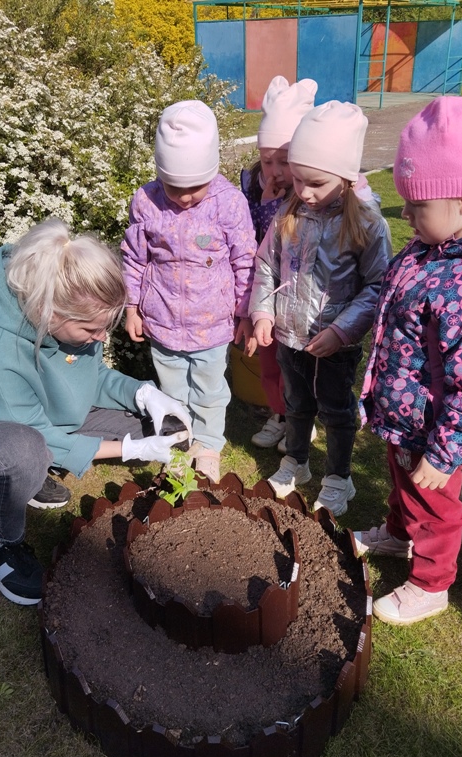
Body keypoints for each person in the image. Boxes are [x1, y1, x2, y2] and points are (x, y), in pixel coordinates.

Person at [0, 218, 191, 606]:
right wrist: (127, 451)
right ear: (50, 313)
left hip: (25, 418)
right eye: (93, 330)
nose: (103, 338)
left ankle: (30, 474)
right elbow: (35, 431)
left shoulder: (67, 314)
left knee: (145, 427)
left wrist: (145, 395)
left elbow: (92, 378)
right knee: (23, 451)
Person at [357, 96, 462, 625]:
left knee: (436, 508)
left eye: (417, 205)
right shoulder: (430, 248)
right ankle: (398, 536)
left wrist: (445, 455)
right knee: (403, 489)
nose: (405, 215)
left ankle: (431, 583)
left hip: (436, 431)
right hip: (406, 418)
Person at [249, 101, 391, 514]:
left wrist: (342, 330)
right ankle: (296, 461)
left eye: (315, 183)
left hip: (334, 345)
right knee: (296, 404)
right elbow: (265, 264)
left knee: (336, 409)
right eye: (297, 180)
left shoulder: (367, 223)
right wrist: (262, 312)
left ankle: (338, 477)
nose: (303, 192)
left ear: (345, 177)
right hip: (290, 336)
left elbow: (379, 284)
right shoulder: (286, 214)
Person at [121, 100, 257, 484]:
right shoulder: (146, 201)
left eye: (194, 187)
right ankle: (180, 441)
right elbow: (133, 258)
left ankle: (209, 444)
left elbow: (245, 261)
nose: (183, 197)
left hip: (213, 325)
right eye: (174, 186)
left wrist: (245, 314)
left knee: (210, 390)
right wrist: (133, 307)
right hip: (162, 322)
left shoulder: (229, 203)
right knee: (172, 388)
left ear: (212, 170)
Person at [240, 75, 318, 453]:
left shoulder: (312, 195)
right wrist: (267, 201)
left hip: (303, 301)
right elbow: (253, 237)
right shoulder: (254, 187)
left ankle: (302, 419)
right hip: (268, 296)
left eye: (285, 161)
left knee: (300, 369)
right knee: (272, 366)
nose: (275, 170)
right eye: (267, 160)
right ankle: (281, 415)